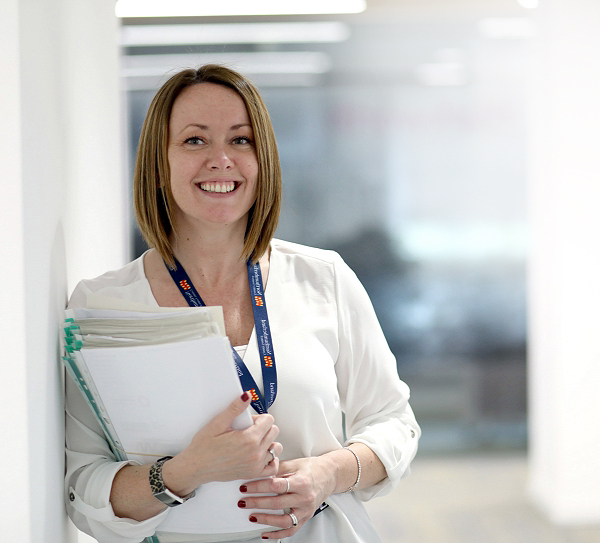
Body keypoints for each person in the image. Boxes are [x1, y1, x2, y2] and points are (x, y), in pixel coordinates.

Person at [65, 64, 420, 543]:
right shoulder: (104, 305)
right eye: (194, 140)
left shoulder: (324, 278)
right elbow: (84, 485)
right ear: (158, 163)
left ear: (263, 160)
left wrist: (327, 474)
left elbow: (393, 423)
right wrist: (184, 472)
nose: (221, 159)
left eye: (240, 140)